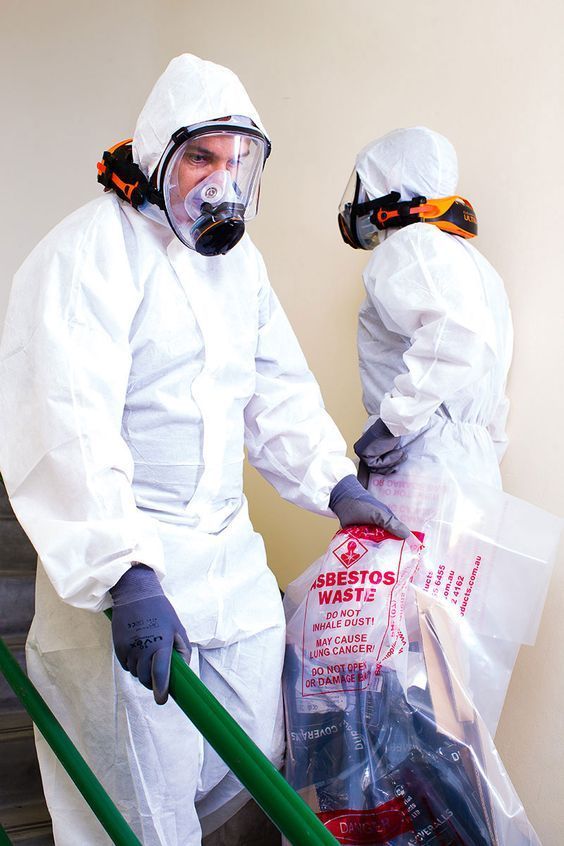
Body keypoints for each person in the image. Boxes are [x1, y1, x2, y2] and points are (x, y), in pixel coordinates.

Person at [0, 55, 408, 846]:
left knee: (256, 741)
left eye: (238, 161)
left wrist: (332, 482)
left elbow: (275, 386)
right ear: (156, 152)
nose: (222, 182)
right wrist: (125, 572)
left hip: (227, 558)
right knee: (143, 796)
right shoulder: (88, 252)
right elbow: (67, 422)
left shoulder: (240, 267)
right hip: (131, 560)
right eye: (201, 157)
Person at [337, 126, 513, 490]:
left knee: (390, 550)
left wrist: (391, 425)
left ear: (390, 186)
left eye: (366, 184)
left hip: (417, 458)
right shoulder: (477, 265)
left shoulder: (412, 244)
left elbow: (459, 340)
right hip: (475, 467)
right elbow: (487, 375)